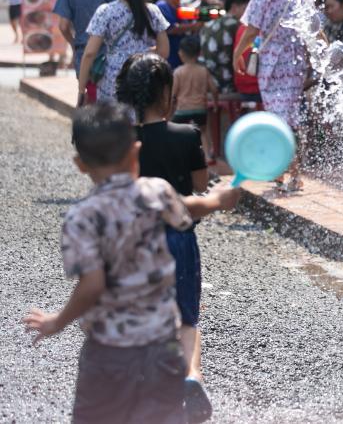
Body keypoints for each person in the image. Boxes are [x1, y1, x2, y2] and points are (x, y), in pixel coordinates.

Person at [21, 101, 241, 424]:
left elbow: (92, 285)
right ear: (135, 151)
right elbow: (187, 206)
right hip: (162, 348)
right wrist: (218, 200)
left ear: (80, 164)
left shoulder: (81, 218)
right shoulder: (157, 192)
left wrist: (59, 321)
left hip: (108, 352)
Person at [113, 53, 215, 421]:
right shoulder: (187, 135)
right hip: (178, 239)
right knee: (186, 318)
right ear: (167, 93)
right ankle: (191, 376)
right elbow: (200, 187)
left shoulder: (121, 142)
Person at [233, 0, 316, 190]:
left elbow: (251, 31)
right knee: (290, 117)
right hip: (296, 63)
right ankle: (293, 173)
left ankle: (282, 171)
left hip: (272, 64)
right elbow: (313, 31)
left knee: (277, 117)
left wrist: (238, 53)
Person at [79, 0, 170, 104]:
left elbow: (90, 53)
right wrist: (143, 51)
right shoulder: (153, 11)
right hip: (145, 73)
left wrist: (81, 90)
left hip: (113, 77)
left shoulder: (106, 11)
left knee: (114, 116)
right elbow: (164, 51)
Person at [54, 0, 117, 102]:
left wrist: (74, 44)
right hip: (114, 54)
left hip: (85, 57)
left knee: (90, 102)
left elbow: (63, 26)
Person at [172, 36, 218, 161]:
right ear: (199, 53)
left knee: (178, 133)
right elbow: (214, 89)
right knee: (203, 132)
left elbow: (173, 94)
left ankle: (180, 156)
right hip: (200, 109)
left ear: (181, 53)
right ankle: (207, 156)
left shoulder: (178, 72)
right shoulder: (203, 71)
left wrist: (170, 109)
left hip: (182, 110)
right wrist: (215, 104)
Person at [200, 0, 250, 93]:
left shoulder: (209, 24)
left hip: (208, 80)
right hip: (227, 82)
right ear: (234, 7)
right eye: (246, 9)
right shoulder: (236, 25)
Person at [157, 0, 201, 69]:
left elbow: (195, 14)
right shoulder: (161, 5)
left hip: (180, 56)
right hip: (170, 56)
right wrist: (194, 26)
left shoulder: (177, 6)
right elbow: (171, 29)